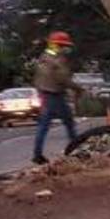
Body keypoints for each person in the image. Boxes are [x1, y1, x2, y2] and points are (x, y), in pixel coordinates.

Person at [32, 31, 83, 165]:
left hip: (45, 93)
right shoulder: (57, 59)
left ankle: (37, 154)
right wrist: (77, 88)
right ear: (60, 45)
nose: (67, 49)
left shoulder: (44, 57)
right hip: (55, 95)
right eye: (65, 46)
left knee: (44, 126)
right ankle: (75, 149)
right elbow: (63, 78)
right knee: (69, 123)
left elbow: (38, 78)